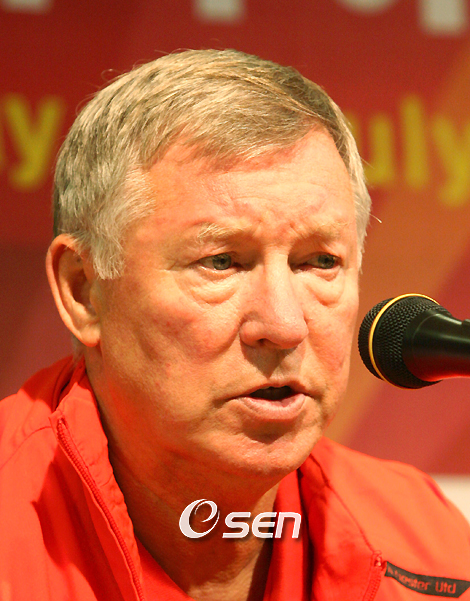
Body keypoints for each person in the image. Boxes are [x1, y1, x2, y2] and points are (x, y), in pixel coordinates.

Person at [0, 49, 469, 601]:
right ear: (84, 291)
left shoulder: (431, 545)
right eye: (221, 262)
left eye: (320, 261)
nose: (284, 325)